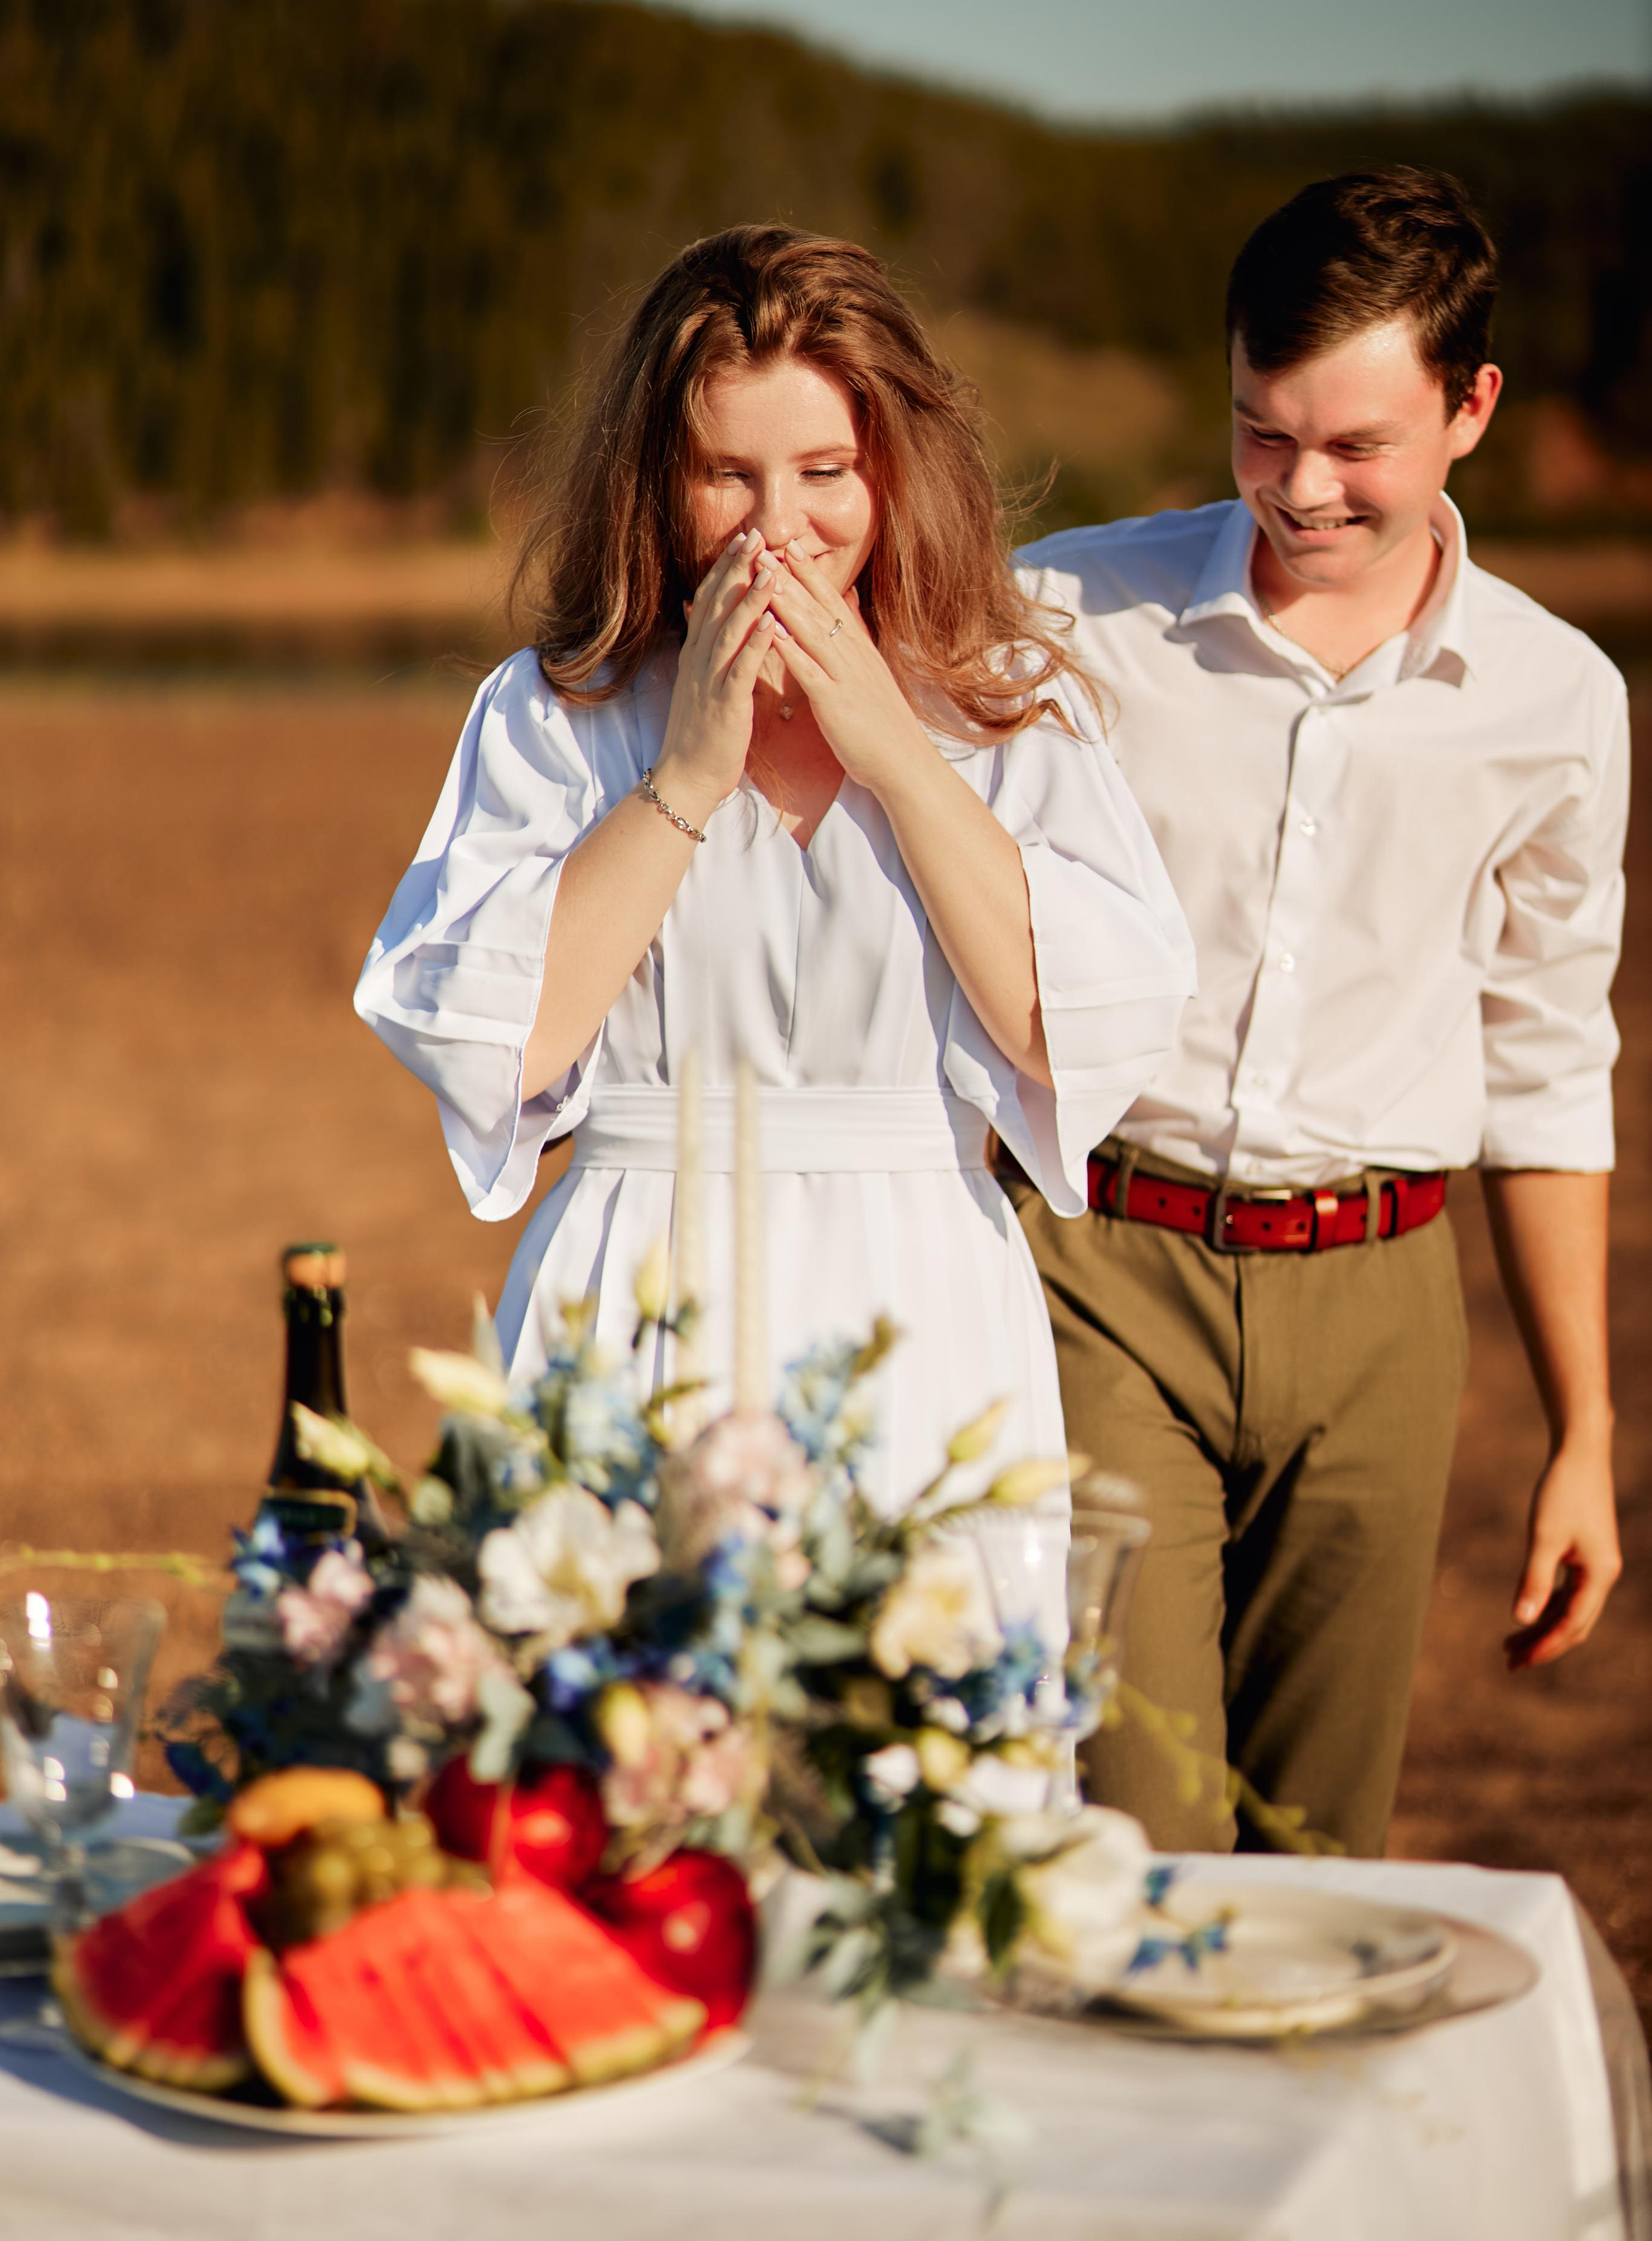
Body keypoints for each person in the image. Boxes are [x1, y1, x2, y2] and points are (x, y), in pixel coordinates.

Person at [356, 225, 1195, 1514]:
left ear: (892, 471)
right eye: (726, 476)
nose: (780, 528)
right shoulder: (556, 711)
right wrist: (684, 777)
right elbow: (502, 1048)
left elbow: (1059, 1033)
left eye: (823, 471)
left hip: (923, 1316)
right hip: (633, 1292)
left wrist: (901, 762)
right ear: (656, 477)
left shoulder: (1001, 709)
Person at [1006, 167, 1627, 1856]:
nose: (1301, 490)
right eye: (1262, 433)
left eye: (1355, 445)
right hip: (1099, 1284)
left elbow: (1552, 1066)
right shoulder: (1063, 618)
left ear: (1472, 407)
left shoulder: (1560, 701)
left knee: (1320, 1863)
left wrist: (1583, 1436)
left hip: (1384, 1324)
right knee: (1129, 1841)